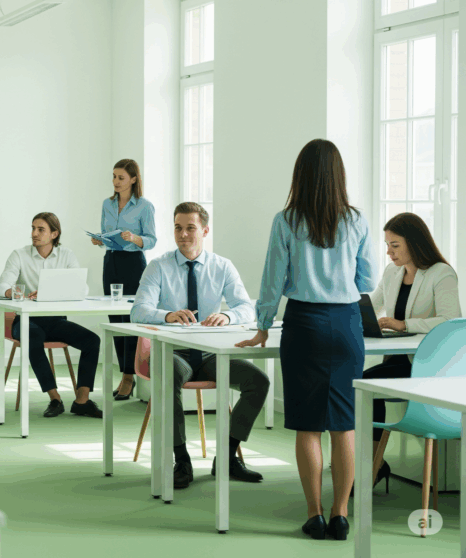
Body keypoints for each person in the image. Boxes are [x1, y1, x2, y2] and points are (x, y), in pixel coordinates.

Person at [238, 139, 376, 541]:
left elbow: (272, 279)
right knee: (344, 425)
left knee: (308, 426)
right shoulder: (357, 220)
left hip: (304, 324)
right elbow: (366, 280)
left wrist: (262, 324)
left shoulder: (287, 220)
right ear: (339, 174)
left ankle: (314, 514)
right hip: (347, 324)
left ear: (301, 174)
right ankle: (341, 513)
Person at [131, 202, 269, 489]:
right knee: (167, 377)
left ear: (204, 230)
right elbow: (139, 310)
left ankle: (228, 458)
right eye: (178, 228)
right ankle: (181, 458)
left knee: (259, 381)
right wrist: (167, 315)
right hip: (174, 351)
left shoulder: (222, 266)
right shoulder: (158, 266)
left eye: (190, 228)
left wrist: (227, 315)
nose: (183, 234)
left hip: (211, 353)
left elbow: (247, 307)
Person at [363, 212, 460, 485]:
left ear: (414, 243)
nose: (389, 253)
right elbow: (372, 303)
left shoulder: (441, 274)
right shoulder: (392, 273)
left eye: (395, 246)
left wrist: (403, 324)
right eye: (387, 245)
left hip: (427, 365)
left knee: (367, 383)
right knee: (359, 382)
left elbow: (450, 321)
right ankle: (373, 462)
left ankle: (370, 466)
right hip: (398, 360)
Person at [0, 212, 103, 418]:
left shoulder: (66, 255)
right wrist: (19, 293)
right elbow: (2, 287)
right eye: (33, 228)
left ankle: (82, 400)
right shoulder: (19, 254)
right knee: (32, 336)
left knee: (92, 340)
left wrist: (49, 292)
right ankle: (55, 398)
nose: (34, 233)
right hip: (25, 320)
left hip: (55, 321)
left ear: (54, 234)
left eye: (40, 229)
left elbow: (83, 289)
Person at [92, 159, 156, 401]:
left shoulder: (145, 206)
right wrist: (100, 240)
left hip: (134, 264)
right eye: (114, 177)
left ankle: (130, 376)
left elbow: (151, 240)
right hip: (111, 263)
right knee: (115, 320)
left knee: (131, 320)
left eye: (120, 177)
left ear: (133, 179)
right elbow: (105, 233)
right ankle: (125, 373)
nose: (115, 182)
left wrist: (134, 237)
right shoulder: (107, 204)